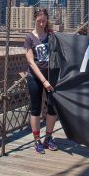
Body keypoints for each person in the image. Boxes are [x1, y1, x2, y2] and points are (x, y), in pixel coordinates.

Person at [24, 8, 58, 154]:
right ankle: (37, 140)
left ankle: (48, 137)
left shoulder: (51, 36)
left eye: (44, 21)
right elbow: (31, 62)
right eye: (39, 21)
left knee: (52, 108)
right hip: (35, 77)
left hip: (51, 76)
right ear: (35, 20)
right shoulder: (29, 38)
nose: (42, 23)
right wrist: (44, 81)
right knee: (36, 109)